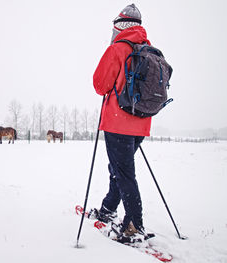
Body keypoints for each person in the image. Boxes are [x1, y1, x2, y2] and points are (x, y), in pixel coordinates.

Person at [92, 4, 152, 242]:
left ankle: (134, 226)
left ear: (119, 26)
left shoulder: (118, 49)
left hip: (118, 122)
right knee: (118, 168)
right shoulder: (149, 49)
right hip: (141, 123)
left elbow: (100, 85)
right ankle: (108, 209)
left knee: (124, 172)